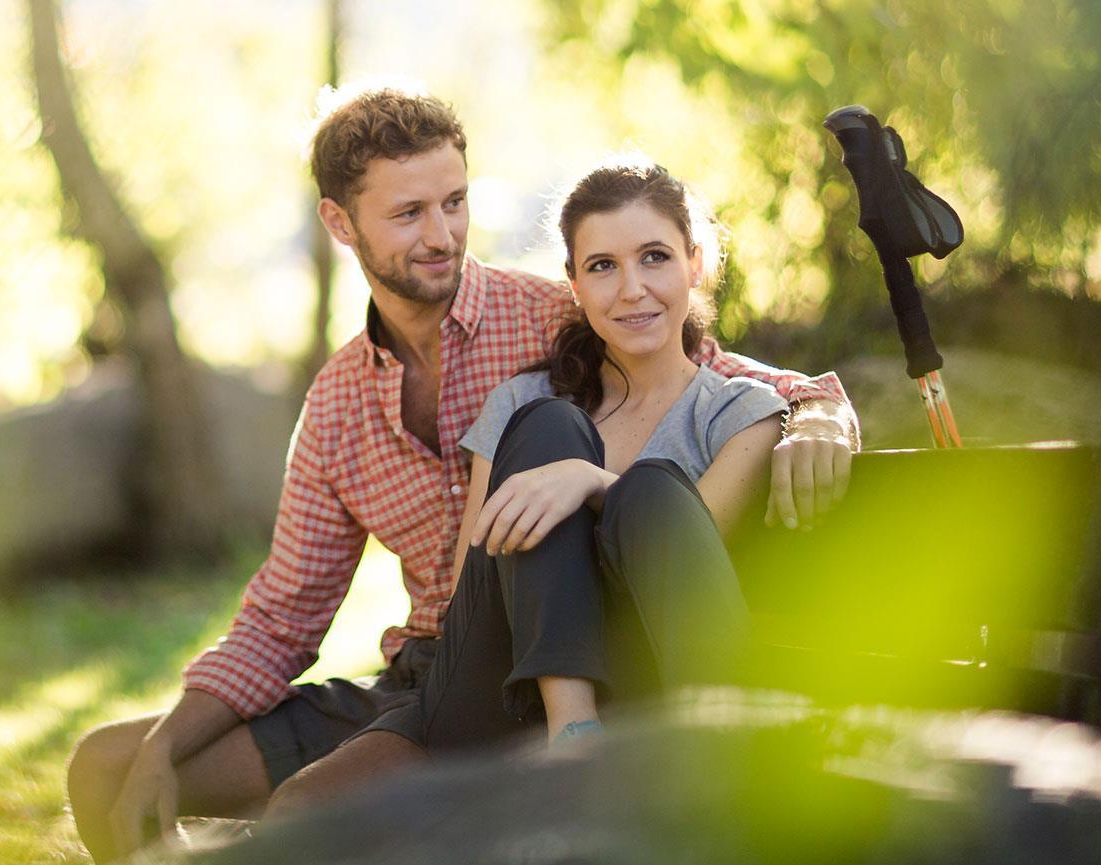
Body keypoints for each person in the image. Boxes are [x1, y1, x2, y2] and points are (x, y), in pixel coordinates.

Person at [64, 85, 858, 861]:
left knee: (315, 808)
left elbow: (701, 368)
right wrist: (167, 742)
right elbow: (284, 613)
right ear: (340, 223)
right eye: (409, 213)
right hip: (435, 670)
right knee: (111, 767)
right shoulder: (345, 402)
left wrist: (821, 409)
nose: (442, 234)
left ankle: (577, 748)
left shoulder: (557, 313)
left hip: (575, 653)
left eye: (454, 201)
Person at [267, 156, 790, 813]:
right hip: (494, 689)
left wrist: (591, 481)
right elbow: (474, 582)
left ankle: (709, 762)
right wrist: (566, 470)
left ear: (695, 263)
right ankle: (573, 732)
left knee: (656, 487)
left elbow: (687, 556)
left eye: (654, 257)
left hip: (640, 681)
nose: (631, 289)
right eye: (602, 266)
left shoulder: (743, 412)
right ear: (572, 284)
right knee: (547, 422)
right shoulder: (521, 398)